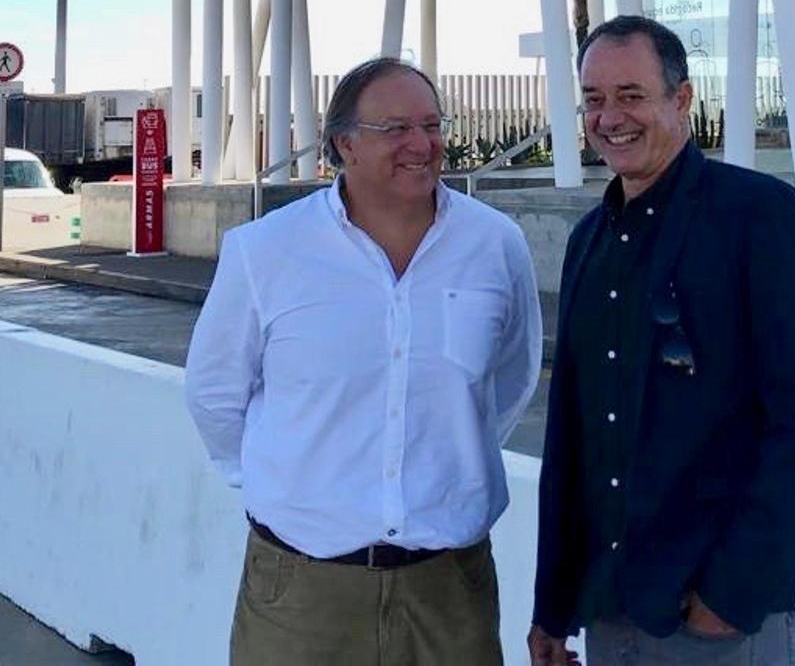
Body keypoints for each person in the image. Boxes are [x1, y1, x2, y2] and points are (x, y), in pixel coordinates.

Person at [185, 57, 542, 666]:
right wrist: (289, 487)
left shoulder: (494, 244)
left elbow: (511, 378)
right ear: (343, 144)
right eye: (395, 129)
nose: (421, 144)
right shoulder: (265, 251)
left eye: (432, 125)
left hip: (449, 591)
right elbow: (214, 394)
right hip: (302, 592)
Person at [529, 16, 795, 666]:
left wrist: (729, 599)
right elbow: (573, 439)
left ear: (682, 99)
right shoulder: (589, 239)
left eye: (631, 95)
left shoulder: (759, 217)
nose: (610, 116)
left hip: (715, 622)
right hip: (608, 610)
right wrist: (552, 607)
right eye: (593, 99)